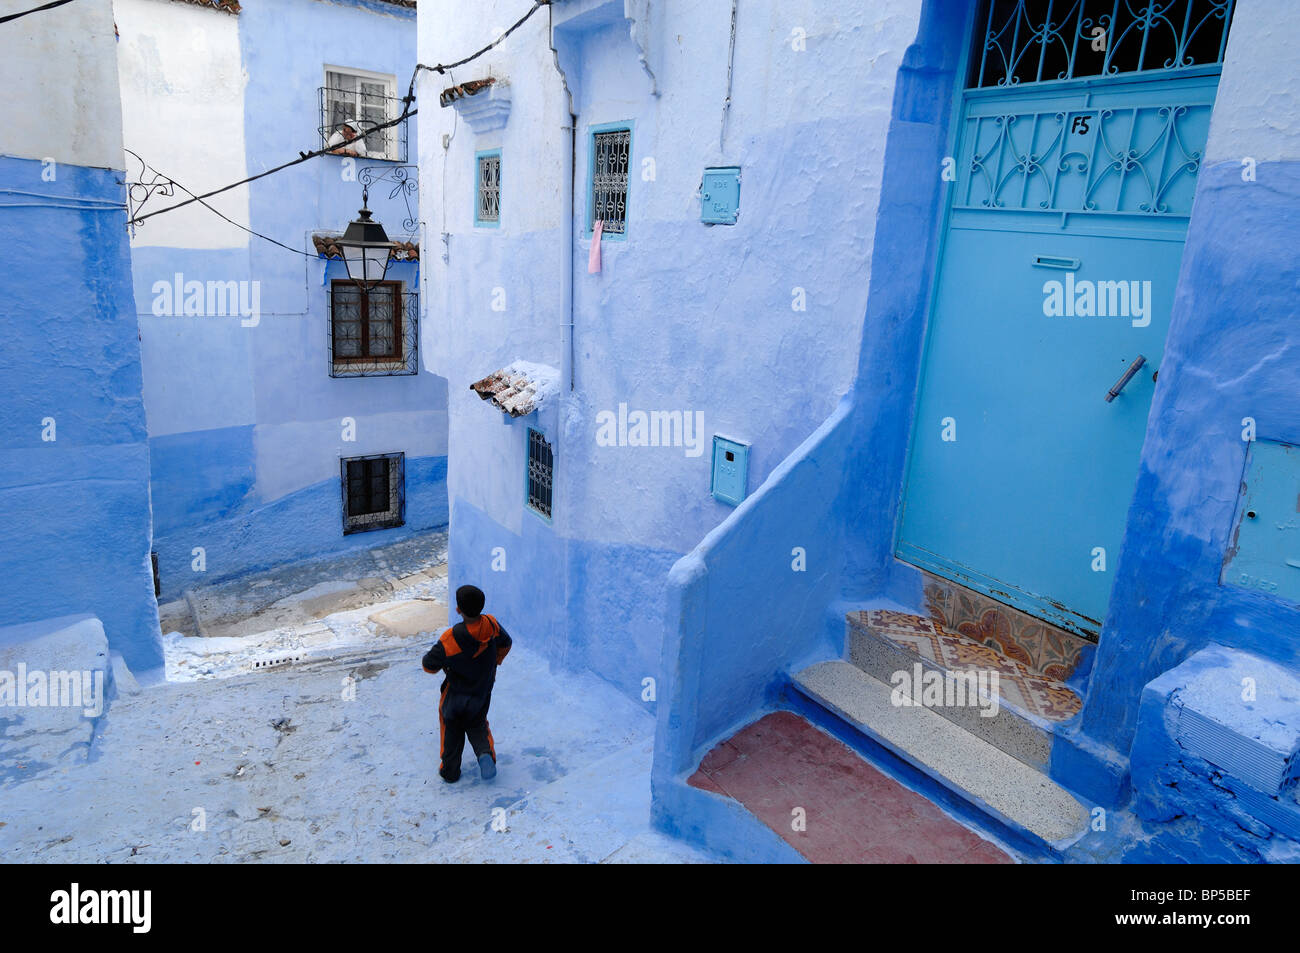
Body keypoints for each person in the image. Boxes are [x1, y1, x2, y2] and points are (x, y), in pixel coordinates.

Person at [422, 585, 512, 783]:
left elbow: (428, 666)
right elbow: (506, 643)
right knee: (477, 723)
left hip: (454, 696)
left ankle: (450, 771)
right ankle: (485, 754)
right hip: (481, 691)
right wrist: (494, 662)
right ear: (481, 606)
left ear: (458, 610)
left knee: (451, 730)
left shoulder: (450, 639)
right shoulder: (492, 623)